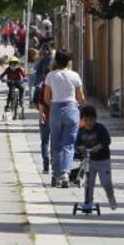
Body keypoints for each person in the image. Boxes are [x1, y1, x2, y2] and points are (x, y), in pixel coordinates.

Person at [44, 49, 85, 188]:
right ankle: (65, 174)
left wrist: (55, 105)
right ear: (69, 61)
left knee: (55, 145)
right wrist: (79, 106)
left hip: (55, 110)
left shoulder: (50, 76)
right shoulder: (75, 76)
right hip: (72, 110)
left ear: (56, 61)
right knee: (69, 145)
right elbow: (81, 98)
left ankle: (56, 174)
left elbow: (46, 98)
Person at [76, 104, 117, 211]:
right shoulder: (81, 131)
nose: (89, 122)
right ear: (83, 120)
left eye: (92, 120)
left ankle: (111, 197)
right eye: (86, 120)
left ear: (95, 119)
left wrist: (99, 146)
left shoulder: (100, 128)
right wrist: (81, 148)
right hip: (89, 161)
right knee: (89, 182)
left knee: (105, 182)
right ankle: (88, 201)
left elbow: (107, 140)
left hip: (103, 159)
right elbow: (77, 144)